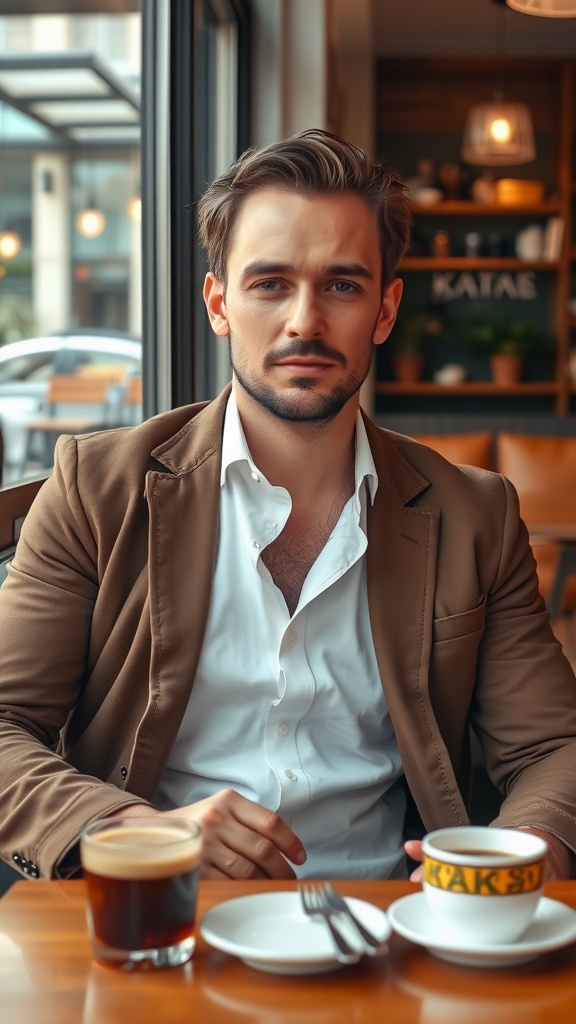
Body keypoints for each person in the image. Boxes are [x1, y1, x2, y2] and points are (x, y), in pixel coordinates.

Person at [0, 129, 575, 886]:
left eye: (342, 285)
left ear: (386, 309)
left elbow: (552, 749)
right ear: (219, 304)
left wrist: (510, 861)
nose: (305, 320)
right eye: (270, 283)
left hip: (392, 921)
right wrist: (135, 830)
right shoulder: (95, 489)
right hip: (163, 919)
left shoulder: (477, 515)